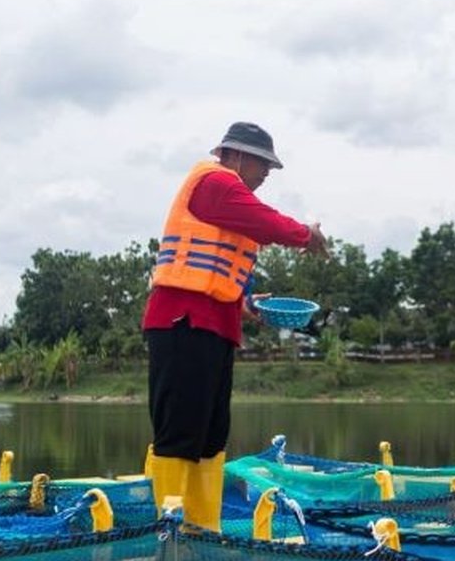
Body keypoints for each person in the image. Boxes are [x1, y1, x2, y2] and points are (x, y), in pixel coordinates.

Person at [140, 121, 329, 533]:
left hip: (214, 324)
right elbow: (264, 221)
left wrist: (245, 303)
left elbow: (212, 271)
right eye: (264, 165)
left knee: (211, 434)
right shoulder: (216, 183)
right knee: (181, 429)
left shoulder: (227, 192)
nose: (266, 176)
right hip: (182, 321)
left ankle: (204, 527)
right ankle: (169, 526)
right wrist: (305, 235)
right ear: (238, 156)